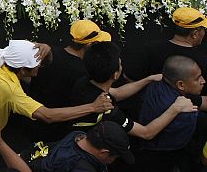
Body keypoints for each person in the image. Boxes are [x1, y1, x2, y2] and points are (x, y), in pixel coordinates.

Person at [0, 40, 114, 172]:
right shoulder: (9, 88)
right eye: (37, 64)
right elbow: (47, 115)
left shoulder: (4, 64)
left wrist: (46, 47)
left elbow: (46, 60)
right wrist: (93, 107)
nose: (40, 67)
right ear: (23, 70)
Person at [69, 41, 197, 141]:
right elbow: (146, 133)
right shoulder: (108, 111)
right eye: (119, 64)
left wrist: (148, 79)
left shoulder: (85, 82)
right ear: (115, 75)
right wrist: (176, 108)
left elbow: (117, 93)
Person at [135, 55, 207, 171]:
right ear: (180, 85)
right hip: (165, 157)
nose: (203, 81)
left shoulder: (153, 86)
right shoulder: (187, 114)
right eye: (197, 78)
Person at [30, 20, 112, 110]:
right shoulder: (84, 71)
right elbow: (111, 92)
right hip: (61, 119)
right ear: (89, 45)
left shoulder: (47, 53)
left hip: (34, 112)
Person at [125, 7, 207, 82]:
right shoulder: (202, 60)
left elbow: (129, 76)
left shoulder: (151, 48)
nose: (204, 33)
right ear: (195, 34)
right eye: (204, 29)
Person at [31, 121, 134, 172]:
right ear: (104, 153)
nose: (113, 161)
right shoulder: (82, 168)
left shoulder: (77, 135)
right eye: (115, 157)